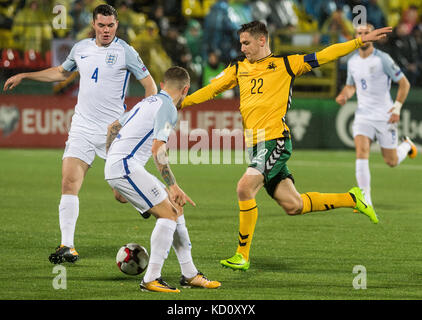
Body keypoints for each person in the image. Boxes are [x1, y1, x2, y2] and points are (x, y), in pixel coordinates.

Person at [181, 21, 393, 271]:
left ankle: (242, 255)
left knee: (244, 188)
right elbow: (211, 89)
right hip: (255, 145)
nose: (242, 47)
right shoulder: (238, 68)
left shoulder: (285, 64)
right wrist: (180, 103)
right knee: (294, 205)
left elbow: (325, 55)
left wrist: (358, 41)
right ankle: (353, 198)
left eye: (246, 42)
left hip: (275, 140)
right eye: (241, 43)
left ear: (262, 40)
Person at [3, 4, 158, 264]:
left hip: (112, 131)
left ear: (116, 25)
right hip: (82, 127)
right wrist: (25, 75)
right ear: (93, 25)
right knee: (68, 182)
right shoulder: (81, 48)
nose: (106, 30)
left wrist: (130, 119)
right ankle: (68, 246)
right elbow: (62, 72)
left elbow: (151, 88)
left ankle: (151, 204)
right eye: (101, 25)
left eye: (110, 26)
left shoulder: (126, 52)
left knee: (121, 195)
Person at [104, 66, 221, 292]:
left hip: (121, 166)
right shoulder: (168, 107)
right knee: (168, 213)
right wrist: (173, 185)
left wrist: (113, 173)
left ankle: (189, 273)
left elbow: (112, 128)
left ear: (162, 84)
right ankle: (151, 279)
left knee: (176, 207)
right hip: (126, 166)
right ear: (186, 89)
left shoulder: (147, 102)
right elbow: (158, 148)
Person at [335, 24, 417, 208]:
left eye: (366, 33)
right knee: (361, 152)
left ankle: (406, 146)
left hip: (384, 115)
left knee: (391, 161)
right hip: (363, 115)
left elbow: (404, 84)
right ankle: (366, 200)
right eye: (359, 33)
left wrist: (396, 109)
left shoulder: (383, 59)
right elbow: (351, 85)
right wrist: (344, 95)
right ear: (355, 36)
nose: (363, 36)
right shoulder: (352, 61)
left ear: (373, 36)